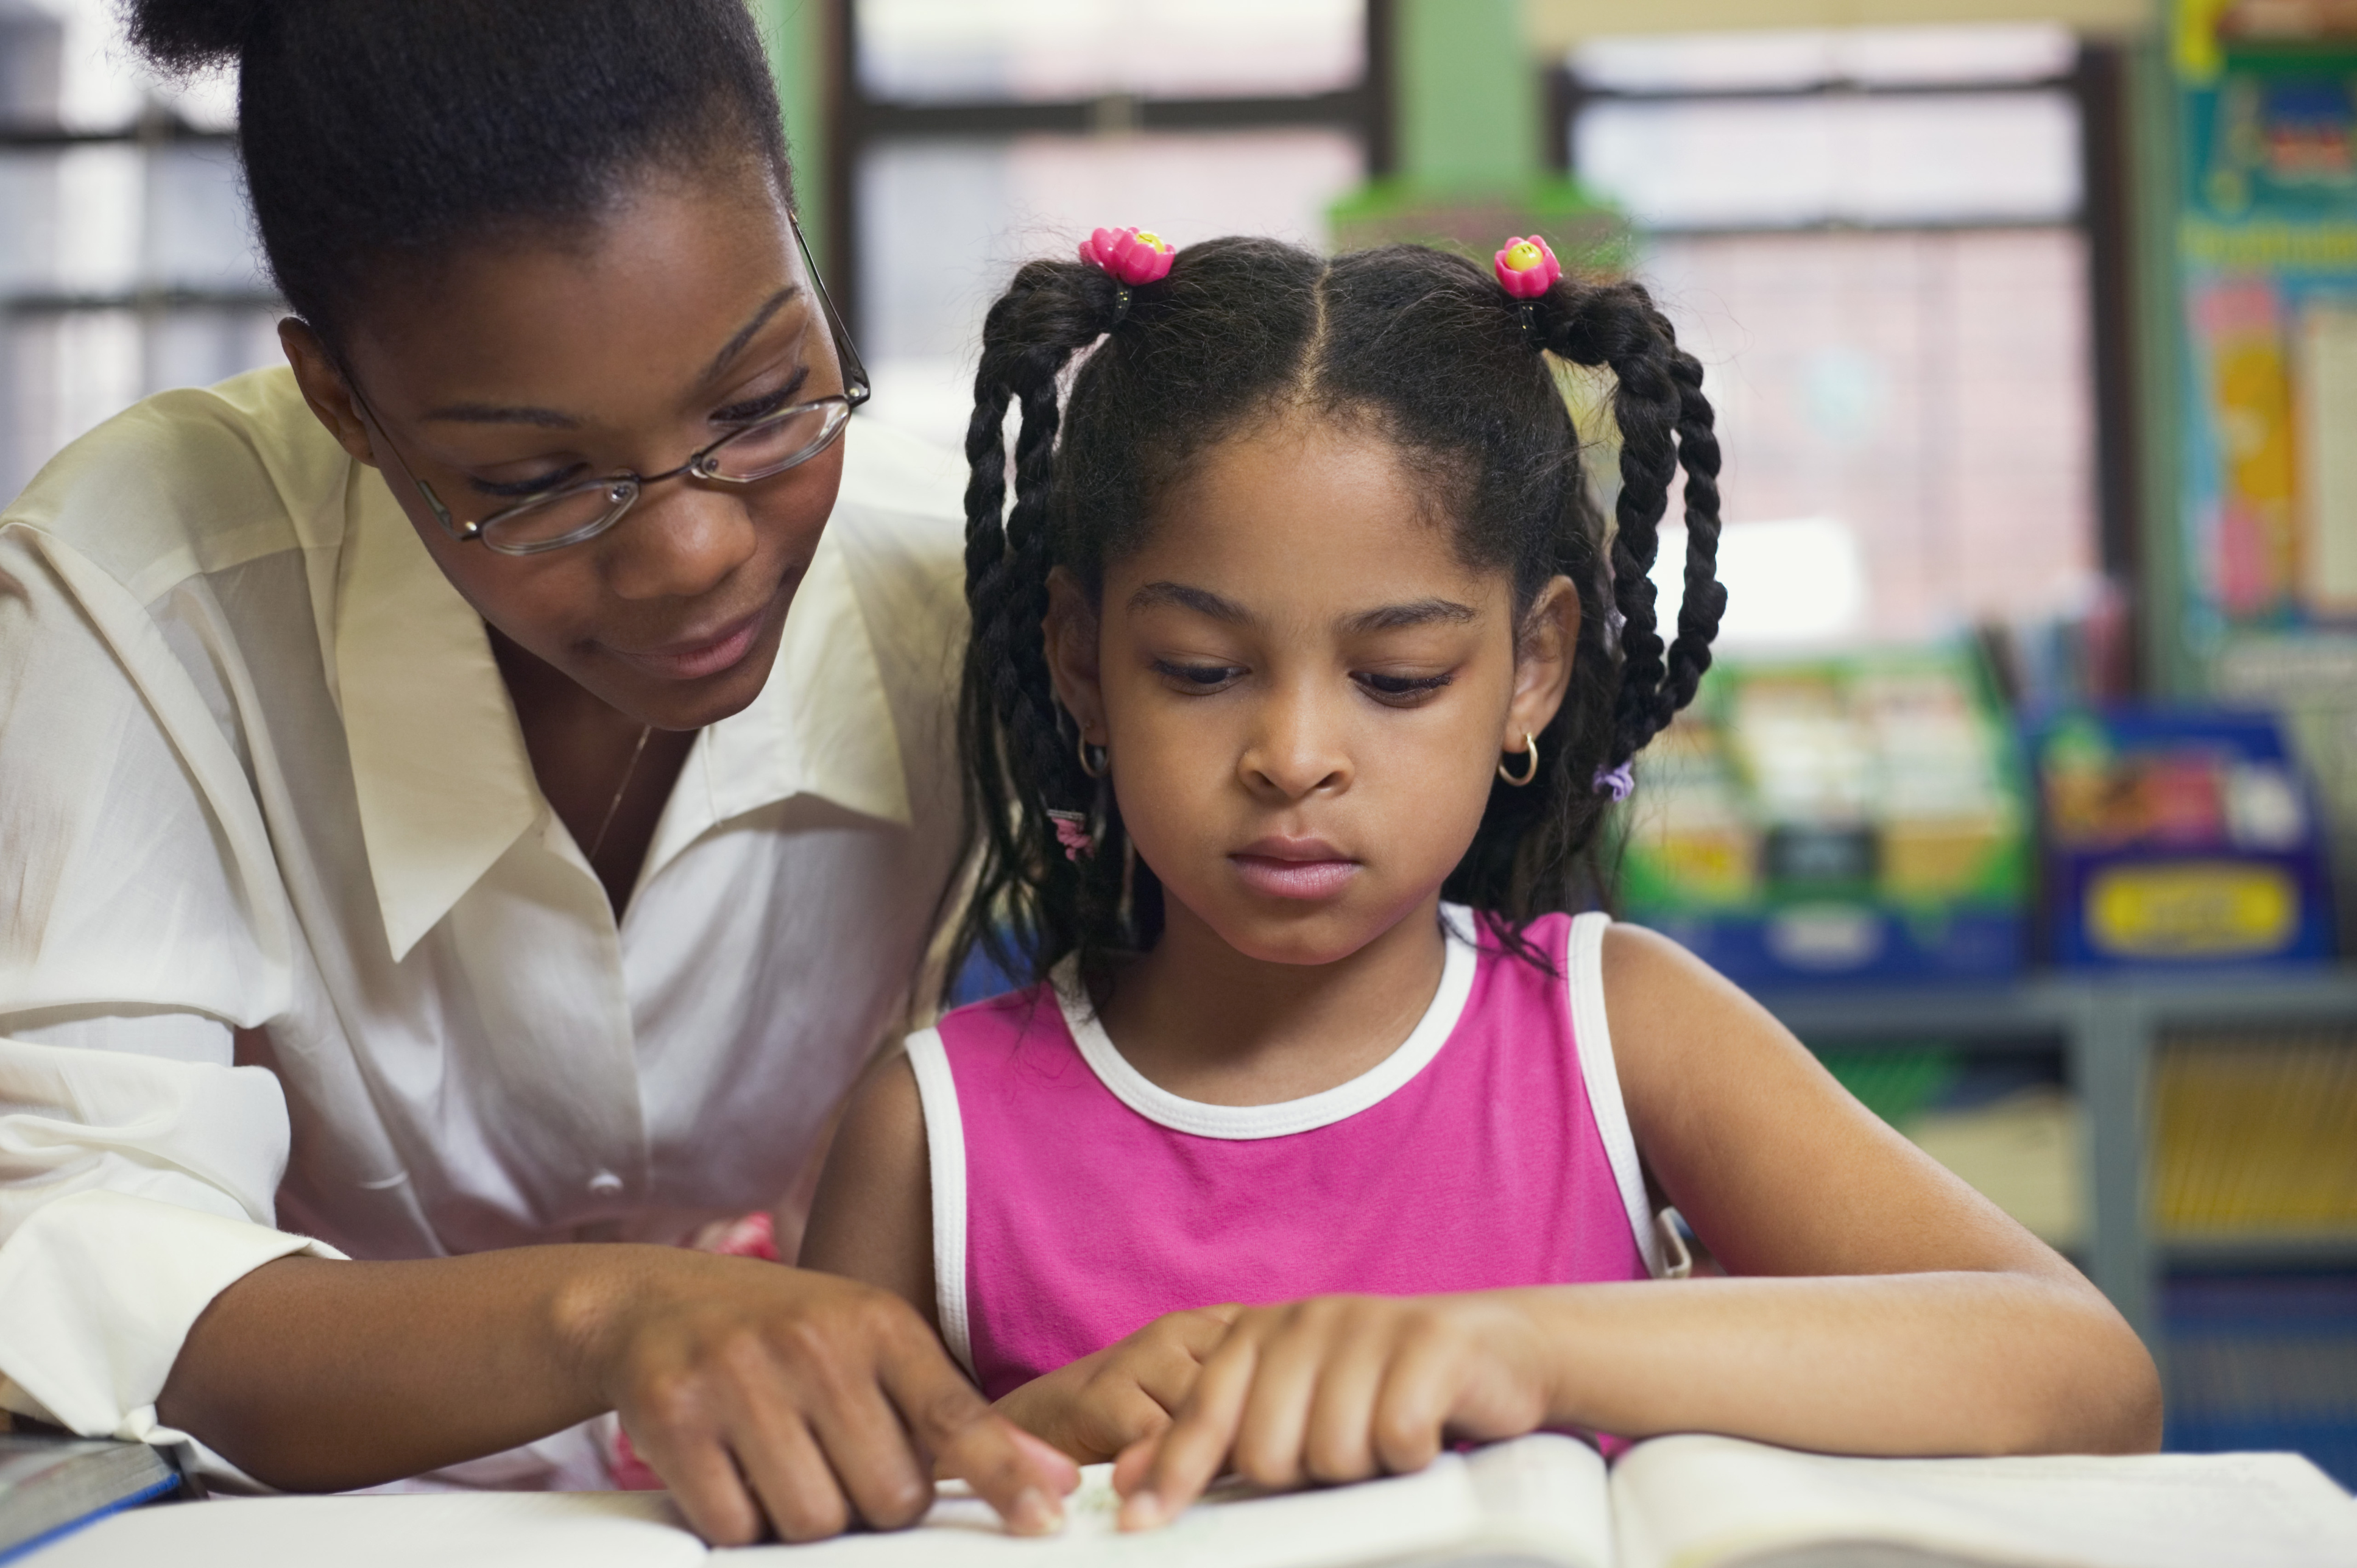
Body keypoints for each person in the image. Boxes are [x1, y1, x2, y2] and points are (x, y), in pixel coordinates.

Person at [799, 230, 2164, 1530]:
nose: (1294, 757)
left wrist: (1517, 1348)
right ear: (1083, 662)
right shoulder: (931, 1133)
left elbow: (2086, 1375)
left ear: (1532, 670)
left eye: (1397, 681)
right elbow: (819, 1510)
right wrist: (1028, 1440)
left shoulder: (1623, 1032)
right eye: (1201, 671)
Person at [0, 0, 1076, 1545]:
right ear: (344, 407)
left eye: (765, 402)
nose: (696, 550)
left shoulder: (950, 599)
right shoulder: (142, 596)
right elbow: (75, 1247)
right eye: (537, 483)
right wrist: (612, 1321)